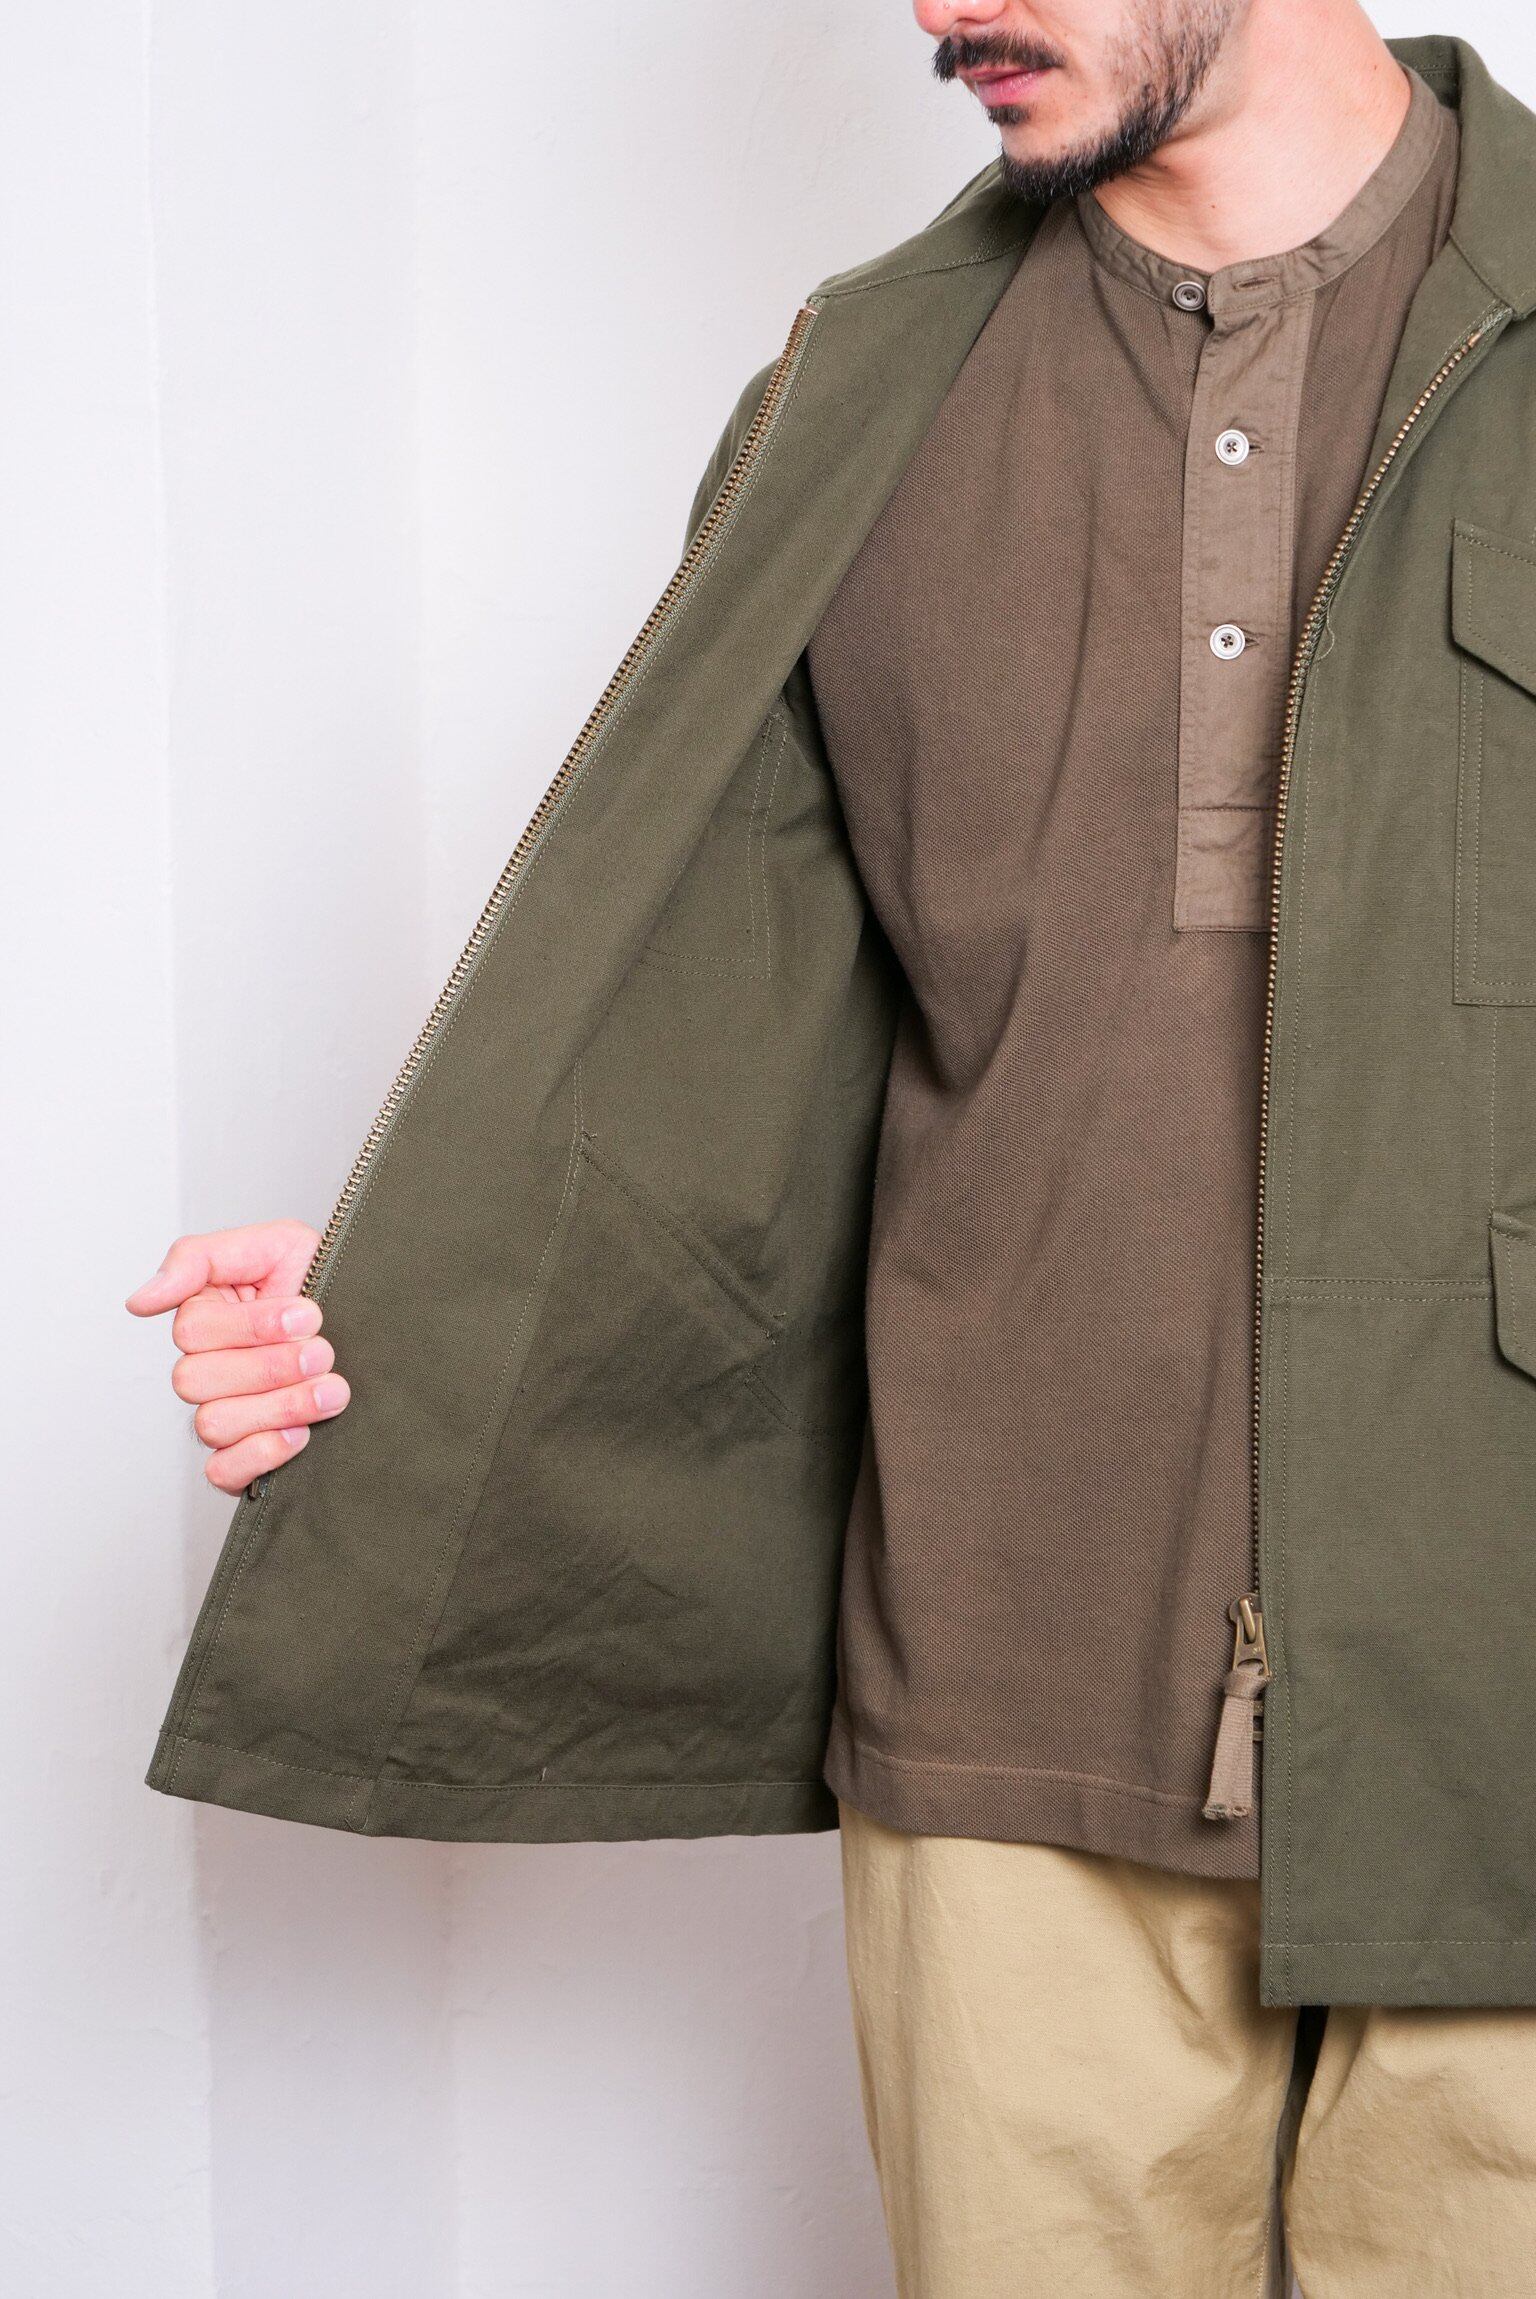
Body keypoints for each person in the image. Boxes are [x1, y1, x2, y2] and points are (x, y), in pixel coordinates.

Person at [127, 5, 1536, 2291]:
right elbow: (721, 1045)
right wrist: (408, 1303)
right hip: (1004, 1683)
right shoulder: (863, 390)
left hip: (1508, 1665)